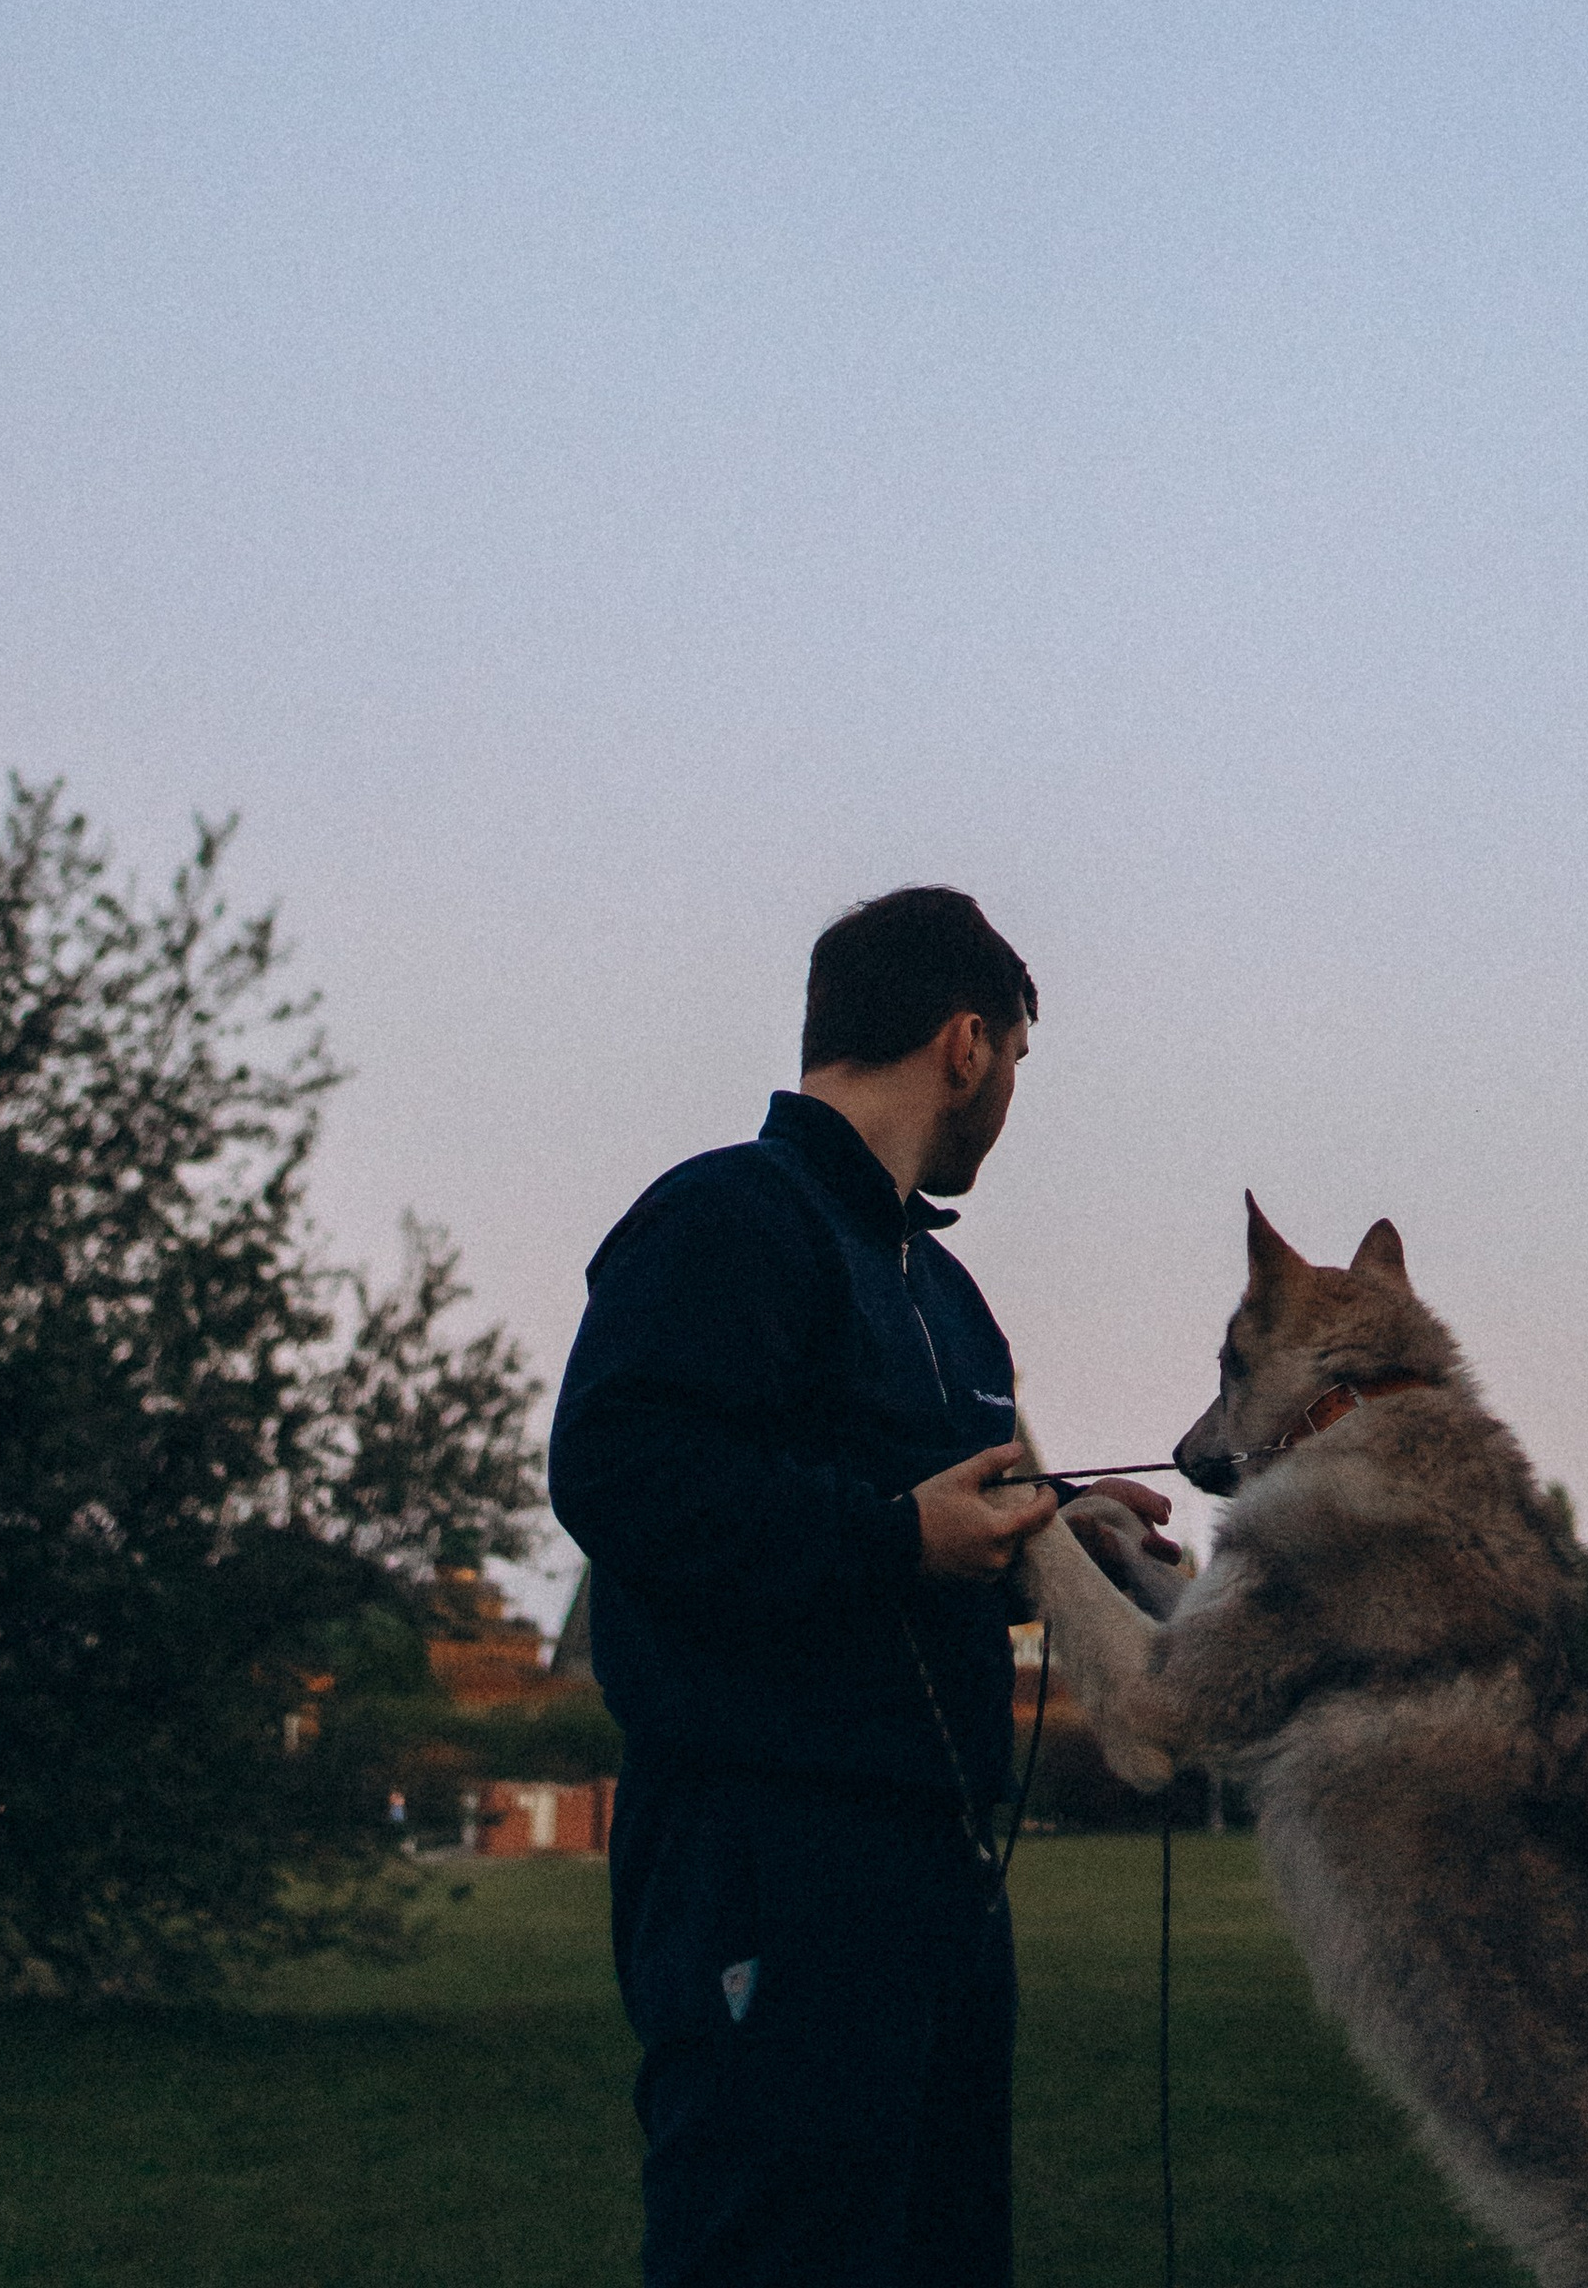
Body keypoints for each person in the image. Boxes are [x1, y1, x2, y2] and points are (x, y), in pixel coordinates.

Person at [549, 885, 1170, 2287]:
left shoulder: (947, 1296)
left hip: (940, 1881)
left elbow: (917, 1540)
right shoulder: (724, 1217)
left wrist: (1052, 1534)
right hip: (769, 1865)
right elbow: (618, 1469)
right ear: (966, 1042)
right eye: (1016, 1057)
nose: (1009, 1095)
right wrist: (897, 1534)